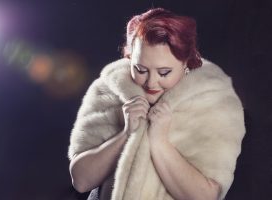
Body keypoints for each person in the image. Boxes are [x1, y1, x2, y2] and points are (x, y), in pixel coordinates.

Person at [68, 8, 245, 200]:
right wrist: (126, 135)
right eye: (140, 69)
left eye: (164, 73)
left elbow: (206, 196)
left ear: (186, 63)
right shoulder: (109, 90)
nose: (151, 83)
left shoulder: (212, 102)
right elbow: (81, 181)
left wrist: (159, 142)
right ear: (129, 58)